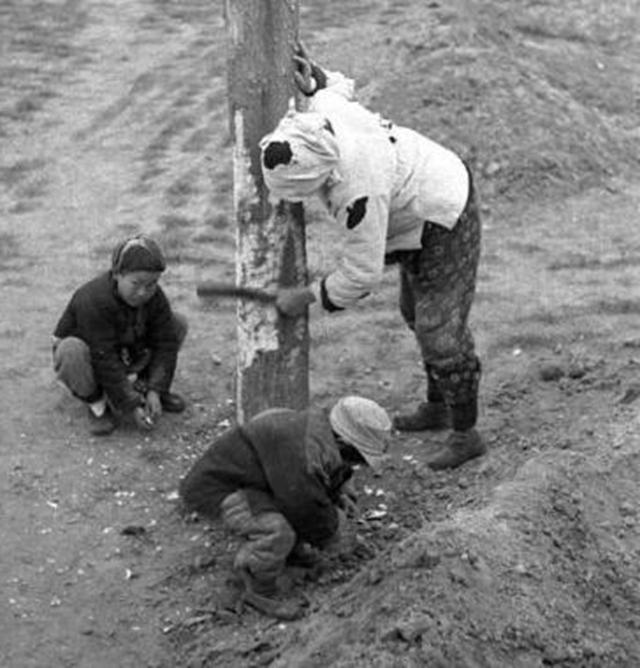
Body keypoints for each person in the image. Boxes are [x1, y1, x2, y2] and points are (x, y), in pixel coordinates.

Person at [260, 46, 485, 470]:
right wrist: (316, 78)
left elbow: (361, 275)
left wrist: (307, 297)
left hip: (443, 210)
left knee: (440, 328)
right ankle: (438, 406)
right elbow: (336, 88)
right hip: (413, 206)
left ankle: (465, 434)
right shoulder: (319, 119)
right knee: (415, 311)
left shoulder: (358, 192)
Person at [179, 395, 392, 620]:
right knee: (278, 531)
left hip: (259, 479)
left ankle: (288, 554)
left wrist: (338, 491)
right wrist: (335, 533)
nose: (358, 465)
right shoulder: (302, 449)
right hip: (218, 488)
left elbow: (321, 474)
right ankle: (258, 588)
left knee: (298, 506)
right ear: (343, 443)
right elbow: (305, 507)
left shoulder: (319, 428)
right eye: (357, 457)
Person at [52, 234, 187, 436]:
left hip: (123, 349)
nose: (144, 292)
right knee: (71, 350)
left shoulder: (155, 297)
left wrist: (156, 389)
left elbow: (165, 343)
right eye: (136, 283)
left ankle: (146, 389)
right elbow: (103, 356)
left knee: (176, 323)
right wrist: (131, 406)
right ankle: (98, 405)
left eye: (151, 284)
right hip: (92, 359)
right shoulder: (92, 300)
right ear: (117, 274)